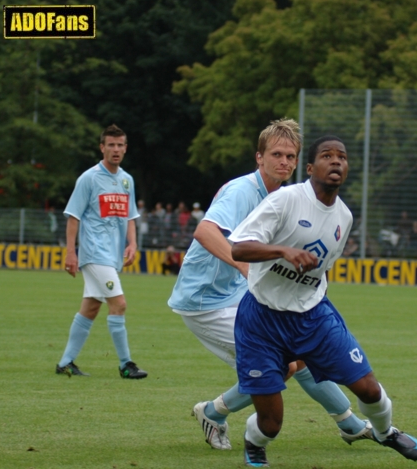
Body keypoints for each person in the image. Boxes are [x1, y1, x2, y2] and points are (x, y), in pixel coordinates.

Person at [167, 120, 374, 452]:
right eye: (276, 154)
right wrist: (245, 267)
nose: (284, 162)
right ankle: (212, 412)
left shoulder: (286, 196)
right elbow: (205, 232)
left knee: (299, 357)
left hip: (239, 295)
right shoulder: (242, 191)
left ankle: (349, 423)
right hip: (205, 300)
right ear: (259, 157)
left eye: (290, 156)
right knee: (281, 366)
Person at [229, 135, 417, 467]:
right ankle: (254, 441)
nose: (336, 161)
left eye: (342, 157)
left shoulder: (344, 217)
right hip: (262, 320)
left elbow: (323, 269)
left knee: (369, 389)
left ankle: (385, 432)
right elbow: (238, 247)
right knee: (271, 423)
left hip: (313, 316)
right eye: (327, 155)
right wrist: (283, 251)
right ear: (310, 167)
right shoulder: (286, 200)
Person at [56, 124, 147, 379]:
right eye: (111, 145)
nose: (115, 150)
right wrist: (70, 253)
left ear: (125, 148)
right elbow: (73, 217)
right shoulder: (89, 178)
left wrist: (132, 243)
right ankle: (125, 365)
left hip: (111, 255)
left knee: (91, 308)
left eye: (120, 145)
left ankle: (65, 362)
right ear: (102, 147)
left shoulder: (127, 179)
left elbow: (130, 217)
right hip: (94, 253)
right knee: (119, 304)